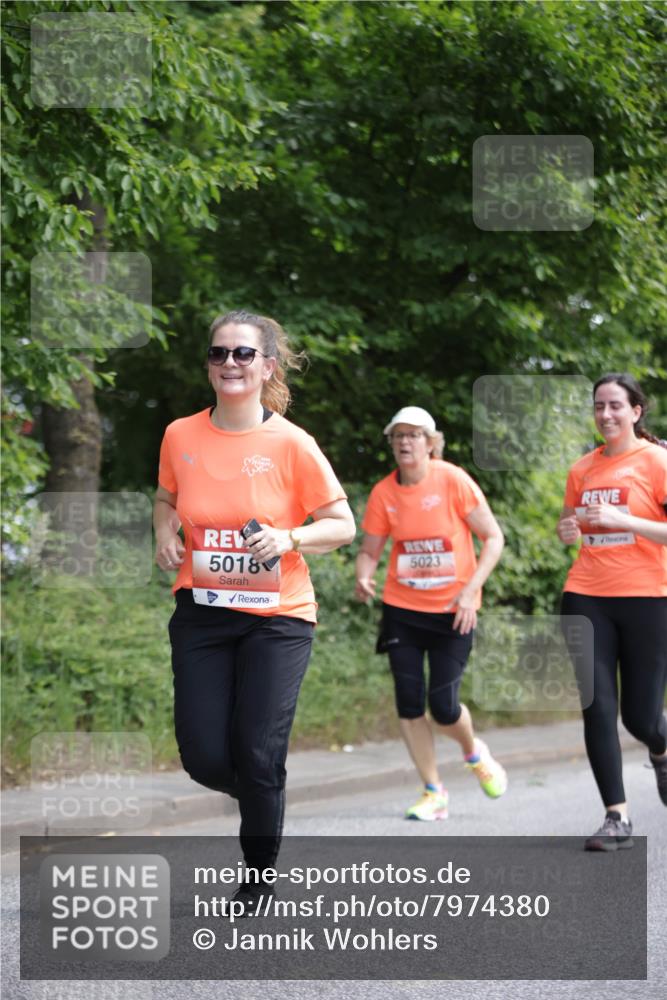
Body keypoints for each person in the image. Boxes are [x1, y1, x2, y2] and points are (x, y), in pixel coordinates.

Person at [153, 310, 355, 910]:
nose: (229, 365)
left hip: (279, 616)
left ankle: (259, 872)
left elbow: (342, 524)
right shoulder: (180, 435)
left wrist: (288, 538)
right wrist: (163, 532)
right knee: (204, 757)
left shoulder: (292, 443)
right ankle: (264, 791)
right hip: (203, 611)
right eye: (219, 354)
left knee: (258, 751)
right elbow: (165, 498)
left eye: (243, 354)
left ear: (267, 366)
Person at [355, 406, 506, 820]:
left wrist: (471, 591)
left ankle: (474, 754)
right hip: (403, 610)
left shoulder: (452, 480)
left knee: (443, 705)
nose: (405, 442)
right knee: (408, 701)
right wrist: (363, 576)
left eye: (414, 435)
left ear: (430, 443)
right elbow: (370, 551)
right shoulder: (384, 494)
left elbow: (493, 538)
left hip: (453, 612)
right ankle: (433, 790)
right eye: (398, 435)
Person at [557, 373, 667, 851]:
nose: (606, 415)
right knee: (597, 705)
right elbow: (573, 525)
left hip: (648, 597)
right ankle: (615, 816)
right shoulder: (582, 469)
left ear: (636, 412)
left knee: (640, 719)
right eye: (599, 406)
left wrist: (627, 521)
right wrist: (567, 533)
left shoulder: (657, 461)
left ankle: (660, 750)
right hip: (586, 595)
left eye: (616, 406)